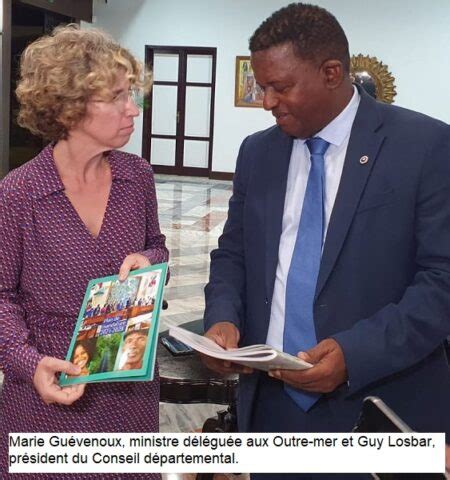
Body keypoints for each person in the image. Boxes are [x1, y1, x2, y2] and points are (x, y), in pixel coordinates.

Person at [203, 3, 450, 479]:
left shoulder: (426, 148)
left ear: (332, 72)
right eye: (262, 87)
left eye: (281, 87)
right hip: (271, 407)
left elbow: (442, 282)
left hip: (379, 405)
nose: (267, 101)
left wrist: (355, 354)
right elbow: (233, 252)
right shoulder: (258, 153)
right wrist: (223, 318)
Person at [0, 25, 168, 479]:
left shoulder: (138, 177)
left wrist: (150, 262)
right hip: (50, 385)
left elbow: (157, 246)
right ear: (69, 106)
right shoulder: (20, 194)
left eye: (131, 93)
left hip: (128, 385)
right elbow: (0, 295)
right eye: (116, 96)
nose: (133, 109)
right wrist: (28, 363)